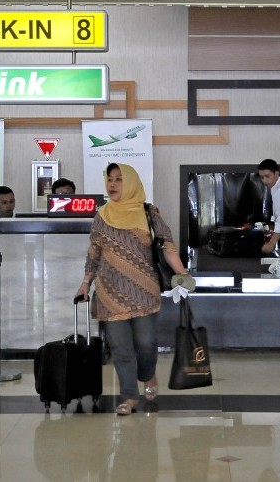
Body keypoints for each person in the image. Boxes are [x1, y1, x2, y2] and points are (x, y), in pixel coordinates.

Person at [75, 163, 194, 415]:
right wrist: (86, 282)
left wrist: (182, 274)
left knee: (146, 343)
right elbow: (93, 254)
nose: (113, 184)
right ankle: (129, 396)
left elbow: (168, 247)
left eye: (119, 179)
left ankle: (148, 374)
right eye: (110, 179)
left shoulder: (149, 213)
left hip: (143, 291)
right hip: (110, 292)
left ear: (130, 182)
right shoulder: (102, 215)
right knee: (120, 348)